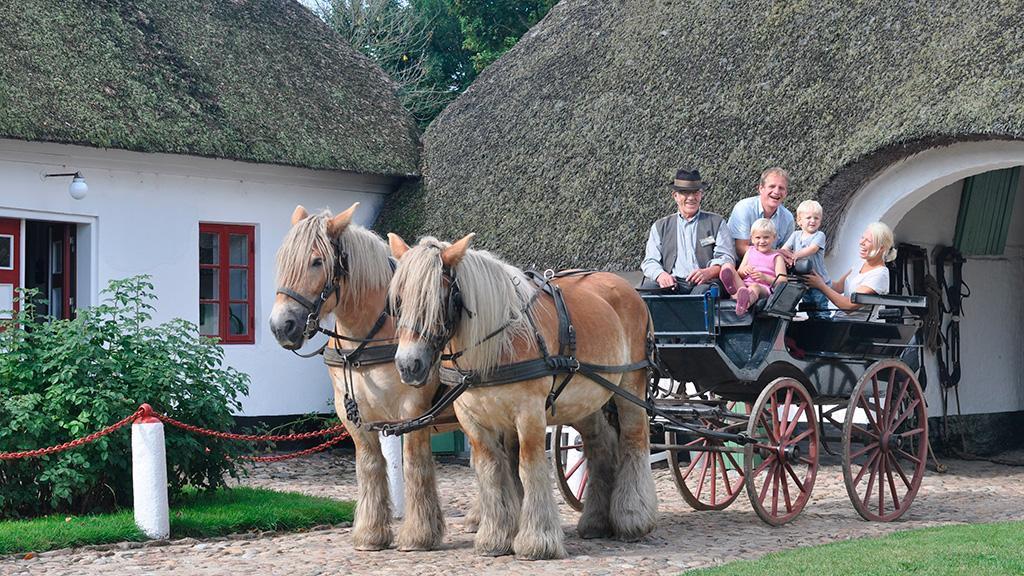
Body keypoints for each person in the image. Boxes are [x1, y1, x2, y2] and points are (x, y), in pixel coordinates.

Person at [640, 168, 735, 294]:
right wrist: (661, 275)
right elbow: (650, 261)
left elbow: (726, 257)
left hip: (705, 282)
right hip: (672, 283)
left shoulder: (717, 222)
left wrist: (709, 272)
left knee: (702, 295)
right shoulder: (660, 226)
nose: (691, 197)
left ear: (701, 195)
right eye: (685, 192)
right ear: (675, 196)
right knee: (645, 292)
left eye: (696, 192)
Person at [805, 222, 898, 321]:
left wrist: (821, 285)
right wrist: (816, 277)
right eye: (862, 238)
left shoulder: (879, 275)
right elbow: (837, 287)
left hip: (853, 327)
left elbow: (849, 306)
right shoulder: (860, 264)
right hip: (837, 321)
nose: (862, 242)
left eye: (868, 241)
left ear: (881, 248)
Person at [719, 218, 787, 316]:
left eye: (766, 237)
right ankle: (732, 289)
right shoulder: (750, 251)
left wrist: (765, 278)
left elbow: (783, 281)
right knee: (728, 266)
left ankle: (744, 304)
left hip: (763, 289)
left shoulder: (776, 257)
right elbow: (739, 273)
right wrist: (743, 271)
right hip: (744, 286)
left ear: (774, 237)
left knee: (755, 287)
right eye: (758, 238)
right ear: (752, 238)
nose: (762, 241)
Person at [727, 167, 796, 260]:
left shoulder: (788, 218)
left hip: (770, 265)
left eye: (781, 188)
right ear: (761, 189)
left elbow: (786, 251)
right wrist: (775, 254)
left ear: (786, 193)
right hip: (738, 264)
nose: (776, 191)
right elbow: (741, 248)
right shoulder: (744, 208)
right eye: (772, 186)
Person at [783, 200, 831, 318]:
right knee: (808, 305)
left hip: (818, 279)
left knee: (820, 306)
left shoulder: (819, 235)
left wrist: (795, 255)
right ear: (799, 221)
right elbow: (784, 249)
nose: (813, 221)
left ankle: (823, 323)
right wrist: (787, 258)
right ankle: (811, 323)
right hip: (803, 280)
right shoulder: (795, 235)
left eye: (816, 218)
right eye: (808, 217)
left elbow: (812, 249)